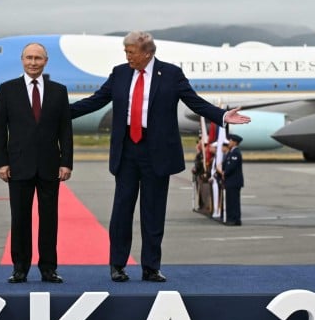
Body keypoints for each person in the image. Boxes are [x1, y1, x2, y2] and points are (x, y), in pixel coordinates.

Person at [70, 31, 250, 283]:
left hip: (157, 153)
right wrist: (59, 113)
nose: (127, 56)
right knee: (121, 211)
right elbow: (95, 101)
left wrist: (221, 116)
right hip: (126, 152)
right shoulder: (120, 73)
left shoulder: (171, 74)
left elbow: (194, 102)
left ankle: (151, 267)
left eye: (131, 52)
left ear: (147, 53)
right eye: (126, 52)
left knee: (153, 212)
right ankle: (117, 265)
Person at [0, 42, 73, 284]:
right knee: (20, 219)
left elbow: (65, 130)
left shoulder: (59, 91)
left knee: (49, 220)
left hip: (50, 166)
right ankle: (20, 268)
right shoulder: (7, 90)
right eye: (29, 58)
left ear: (46, 61)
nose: (33, 62)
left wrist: (66, 162)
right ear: (22, 60)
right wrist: (1, 162)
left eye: (38, 58)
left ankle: (48, 268)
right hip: (17, 166)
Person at [219, 134, 244, 226]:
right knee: (230, 201)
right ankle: (232, 218)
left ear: (234, 142)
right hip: (230, 181)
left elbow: (231, 167)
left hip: (234, 181)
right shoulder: (231, 152)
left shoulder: (236, 153)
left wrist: (224, 173)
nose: (229, 142)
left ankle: (234, 219)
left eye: (230, 141)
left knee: (233, 201)